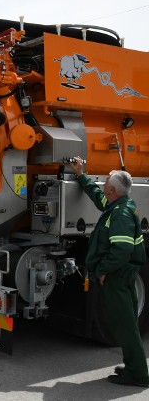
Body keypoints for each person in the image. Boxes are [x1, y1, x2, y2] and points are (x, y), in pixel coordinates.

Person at [70, 156, 149, 387]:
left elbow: (122, 250)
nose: (103, 186)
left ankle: (138, 375)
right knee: (126, 324)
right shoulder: (118, 205)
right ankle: (134, 366)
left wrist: (103, 271)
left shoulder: (121, 215)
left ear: (113, 190)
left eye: (106, 183)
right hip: (121, 276)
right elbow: (97, 196)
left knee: (124, 325)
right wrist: (80, 174)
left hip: (117, 276)